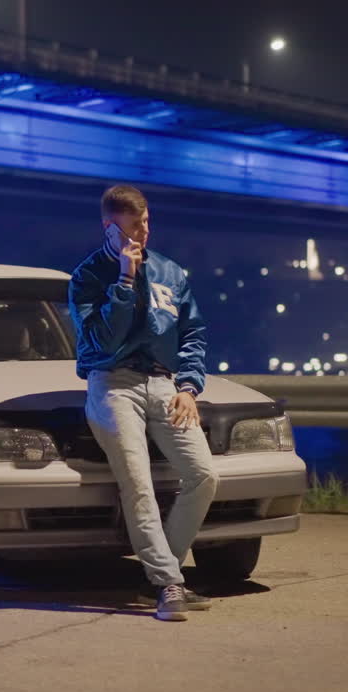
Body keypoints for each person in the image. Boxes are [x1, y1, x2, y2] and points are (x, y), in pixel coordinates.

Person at [68, 184, 219, 622]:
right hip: (112, 384)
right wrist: (125, 279)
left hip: (166, 384)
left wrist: (189, 387)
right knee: (138, 483)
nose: (144, 232)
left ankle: (163, 573)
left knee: (203, 476)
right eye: (134, 226)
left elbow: (192, 333)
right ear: (110, 228)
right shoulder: (88, 277)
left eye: (147, 222)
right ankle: (170, 584)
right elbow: (101, 340)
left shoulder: (170, 272)